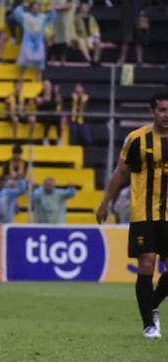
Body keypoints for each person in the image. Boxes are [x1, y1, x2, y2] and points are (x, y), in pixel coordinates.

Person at [95, 90, 168, 339]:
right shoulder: (137, 139)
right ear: (152, 111)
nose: (167, 115)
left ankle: (152, 304)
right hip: (143, 213)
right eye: (162, 110)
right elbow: (120, 172)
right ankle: (149, 324)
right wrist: (105, 202)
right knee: (147, 264)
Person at [13, 2, 57, 82]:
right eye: (34, 7)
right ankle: (20, 78)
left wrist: (52, 11)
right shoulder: (26, 16)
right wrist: (22, 6)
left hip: (38, 43)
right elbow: (16, 14)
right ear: (31, 9)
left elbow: (51, 19)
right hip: (27, 42)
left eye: (37, 8)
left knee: (39, 61)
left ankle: (38, 78)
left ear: (39, 9)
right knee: (24, 61)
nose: (36, 9)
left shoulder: (43, 17)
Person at [46, 0, 76, 66]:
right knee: (54, 41)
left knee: (64, 41)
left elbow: (69, 5)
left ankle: (63, 61)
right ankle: (52, 61)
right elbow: (48, 6)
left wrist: (56, 7)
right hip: (55, 21)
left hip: (64, 20)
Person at [35, 79, 63, 146]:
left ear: (51, 86)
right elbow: (38, 103)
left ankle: (59, 138)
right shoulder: (40, 94)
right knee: (48, 118)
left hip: (53, 114)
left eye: (48, 85)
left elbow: (59, 102)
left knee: (58, 118)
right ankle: (45, 138)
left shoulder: (54, 95)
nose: (47, 87)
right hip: (42, 114)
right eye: (45, 85)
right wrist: (45, 96)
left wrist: (57, 93)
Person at [69, 82, 92, 147]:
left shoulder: (86, 96)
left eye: (79, 87)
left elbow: (83, 106)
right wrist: (74, 100)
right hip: (74, 120)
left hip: (83, 120)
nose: (77, 89)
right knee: (74, 130)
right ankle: (73, 146)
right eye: (76, 87)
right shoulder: (73, 96)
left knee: (87, 137)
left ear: (82, 88)